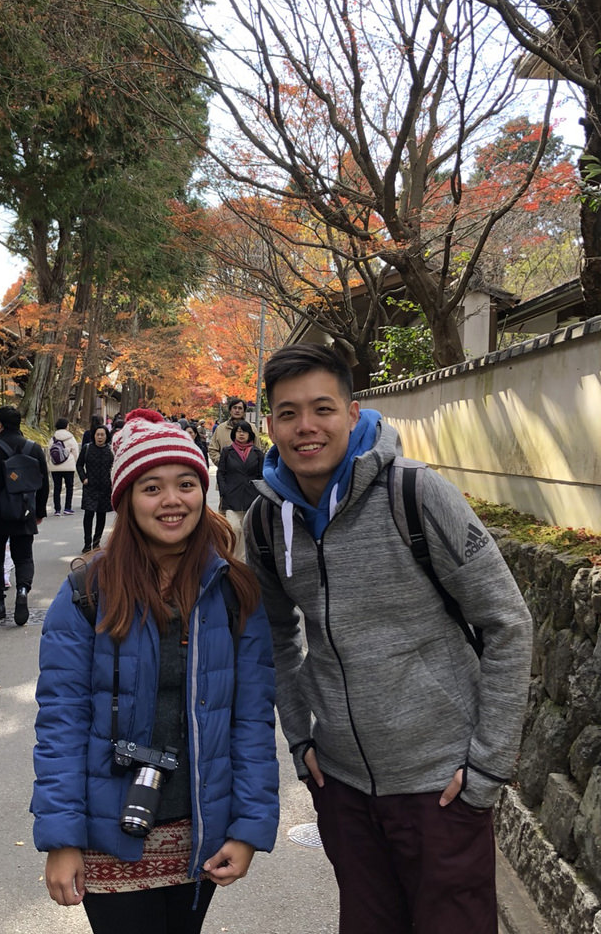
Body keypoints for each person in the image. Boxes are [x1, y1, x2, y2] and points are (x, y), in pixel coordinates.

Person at [244, 343, 533, 934]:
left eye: (322, 408)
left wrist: (486, 768)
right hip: (344, 788)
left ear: (353, 413)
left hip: (441, 786)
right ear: (268, 423)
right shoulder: (267, 522)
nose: (306, 427)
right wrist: (301, 740)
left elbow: (507, 620)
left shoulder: (417, 494)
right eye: (288, 412)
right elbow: (274, 637)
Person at [31, 408, 278, 934]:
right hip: (107, 830)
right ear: (125, 499)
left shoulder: (234, 592)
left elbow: (252, 719)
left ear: (203, 491)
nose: (172, 500)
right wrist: (61, 838)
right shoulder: (87, 595)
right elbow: (61, 722)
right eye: (151, 487)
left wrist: (248, 828)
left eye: (186, 484)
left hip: (199, 827)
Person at [0, 405, 49, 625]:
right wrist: (40, 511)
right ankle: (23, 590)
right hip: (24, 511)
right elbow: (43, 483)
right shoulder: (33, 449)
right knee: (24, 556)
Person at [216, 421, 264, 562]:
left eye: (244, 431)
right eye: (238, 431)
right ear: (234, 433)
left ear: (250, 434)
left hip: (251, 497)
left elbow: (261, 475)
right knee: (234, 529)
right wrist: (224, 491)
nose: (241, 434)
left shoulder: (257, 453)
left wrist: (258, 492)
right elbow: (221, 473)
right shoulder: (227, 451)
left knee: (247, 531)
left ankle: (242, 562)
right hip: (232, 497)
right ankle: (232, 559)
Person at [76, 424, 113, 552]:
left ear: (106, 436)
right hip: (90, 487)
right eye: (97, 434)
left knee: (101, 516)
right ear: (94, 436)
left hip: (105, 488)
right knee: (88, 514)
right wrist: (83, 478)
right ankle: (87, 544)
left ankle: (96, 543)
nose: (100, 437)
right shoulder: (87, 448)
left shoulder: (110, 450)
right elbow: (79, 465)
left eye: (102, 434)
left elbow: (114, 467)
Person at [207, 398, 260, 468]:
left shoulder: (252, 428)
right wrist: (222, 463)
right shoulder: (220, 429)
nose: (237, 410)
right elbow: (212, 449)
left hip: (248, 472)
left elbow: (258, 450)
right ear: (230, 410)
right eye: (234, 408)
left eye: (240, 408)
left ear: (244, 411)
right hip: (226, 473)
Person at [47, 418, 80, 516]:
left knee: (57, 488)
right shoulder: (70, 438)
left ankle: (57, 509)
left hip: (55, 467)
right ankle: (67, 508)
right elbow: (76, 452)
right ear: (66, 426)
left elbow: (49, 453)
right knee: (69, 487)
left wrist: (50, 463)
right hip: (68, 467)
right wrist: (74, 462)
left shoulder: (53, 438)